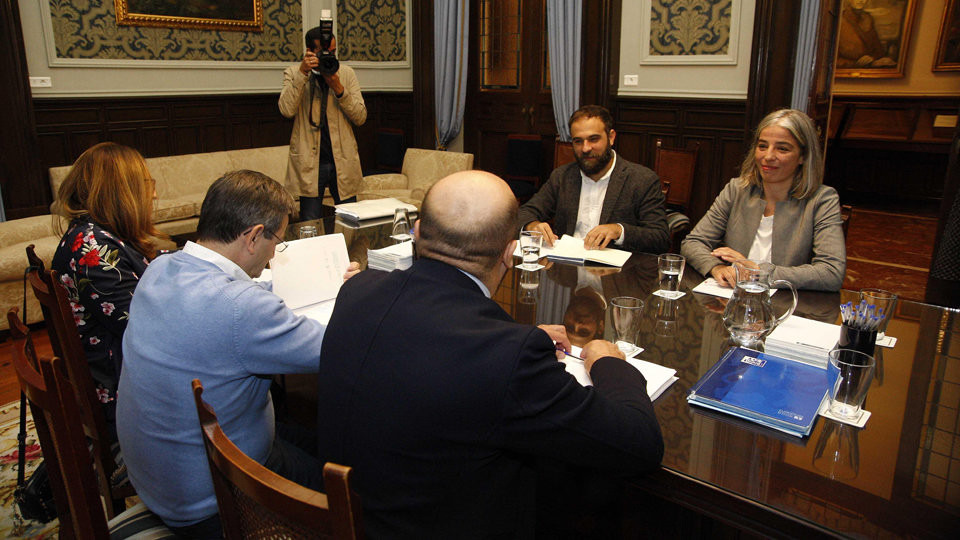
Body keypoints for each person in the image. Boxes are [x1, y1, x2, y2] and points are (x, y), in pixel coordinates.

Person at [317, 170, 664, 538]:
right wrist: (607, 361)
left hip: (351, 518)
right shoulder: (508, 356)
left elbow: (434, 341)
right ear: (509, 254)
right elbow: (639, 444)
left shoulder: (358, 290)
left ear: (417, 232)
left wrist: (513, 338)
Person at [116, 170, 358, 538]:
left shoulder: (161, 267)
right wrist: (359, 297)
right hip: (215, 497)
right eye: (277, 239)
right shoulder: (240, 308)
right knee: (352, 488)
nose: (276, 250)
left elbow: (232, 301)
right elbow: (339, 350)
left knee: (315, 438)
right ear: (253, 236)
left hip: (162, 476)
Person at [51, 142, 167, 438]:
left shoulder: (92, 234)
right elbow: (146, 328)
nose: (153, 194)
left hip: (116, 367)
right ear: (121, 191)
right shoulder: (94, 247)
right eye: (146, 184)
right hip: (121, 386)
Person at [681, 109, 846, 291]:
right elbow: (693, 243)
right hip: (730, 301)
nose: (768, 156)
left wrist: (756, 270)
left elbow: (831, 272)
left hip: (787, 306)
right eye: (762, 146)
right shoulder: (737, 189)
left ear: (803, 156)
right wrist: (716, 267)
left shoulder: (822, 200)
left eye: (782, 148)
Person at [517, 104, 669, 253]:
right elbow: (524, 213)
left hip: (616, 273)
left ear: (611, 137)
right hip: (566, 268)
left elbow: (660, 237)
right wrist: (532, 225)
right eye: (578, 141)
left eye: (593, 139)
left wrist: (619, 231)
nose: (585, 148)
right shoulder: (562, 176)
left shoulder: (642, 180)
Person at [279, 25, 366, 219]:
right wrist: (303, 74)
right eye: (324, 52)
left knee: (349, 219)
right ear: (310, 51)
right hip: (310, 163)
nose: (330, 56)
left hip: (342, 159)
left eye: (333, 52)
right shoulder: (294, 73)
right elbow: (286, 110)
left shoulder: (346, 73)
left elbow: (360, 116)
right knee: (310, 221)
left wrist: (338, 88)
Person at [837, 0, 896, 68]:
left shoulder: (868, 18)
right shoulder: (840, 20)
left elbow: (878, 49)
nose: (861, 0)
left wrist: (873, 57)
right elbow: (833, 59)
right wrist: (857, 64)